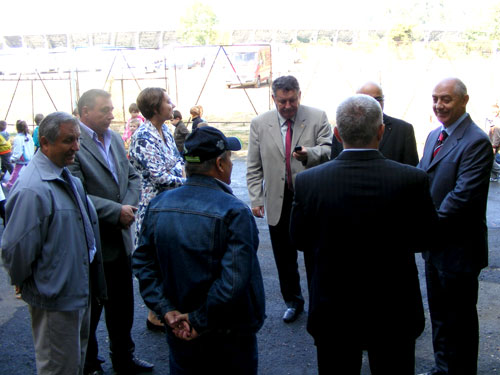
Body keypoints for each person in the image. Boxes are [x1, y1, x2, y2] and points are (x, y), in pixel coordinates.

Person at [290, 94, 437, 374]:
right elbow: (425, 239)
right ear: (381, 131)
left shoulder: (309, 182)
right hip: (394, 310)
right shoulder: (412, 179)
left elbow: (299, 239)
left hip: (333, 310)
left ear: (336, 134)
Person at [132, 126, 266, 375]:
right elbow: (234, 280)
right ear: (220, 163)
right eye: (229, 157)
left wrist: (166, 310)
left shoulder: (159, 204)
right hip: (228, 335)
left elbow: (142, 263)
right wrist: (197, 319)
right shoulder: (234, 211)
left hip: (178, 328)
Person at [1, 111, 106, 375]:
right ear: (45, 143)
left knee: (74, 364)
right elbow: (15, 250)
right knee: (59, 369)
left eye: (78, 139)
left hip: (75, 291)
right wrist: (26, 283)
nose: (76, 147)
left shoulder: (61, 174)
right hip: (55, 297)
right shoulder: (32, 188)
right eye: (68, 140)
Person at [68, 89, 153, 375]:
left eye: (112, 109)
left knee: (123, 307)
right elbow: (76, 193)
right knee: (91, 311)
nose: (112, 115)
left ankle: (123, 358)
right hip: (93, 244)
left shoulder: (115, 138)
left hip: (121, 237)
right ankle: (90, 364)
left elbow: (132, 176)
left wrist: (127, 207)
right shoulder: (74, 143)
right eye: (105, 110)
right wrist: (115, 212)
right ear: (85, 112)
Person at [417, 78, 493, 375]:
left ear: (464, 101)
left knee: (459, 320)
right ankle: (442, 367)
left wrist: (424, 226)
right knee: (439, 314)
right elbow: (424, 181)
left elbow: (461, 198)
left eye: (446, 99)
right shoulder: (435, 134)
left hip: (460, 250)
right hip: (434, 248)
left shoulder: (475, 141)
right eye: (435, 99)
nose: (439, 105)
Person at [246, 75, 332, 323]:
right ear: (274, 98)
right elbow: (253, 165)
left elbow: (329, 150)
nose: (287, 106)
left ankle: (319, 300)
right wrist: (256, 198)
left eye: (292, 100)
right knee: (284, 257)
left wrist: (309, 154)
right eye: (282, 101)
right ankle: (293, 301)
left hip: (311, 201)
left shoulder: (317, 117)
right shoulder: (260, 123)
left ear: (299, 95)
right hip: (277, 200)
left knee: (315, 254)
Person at [129, 87, 185, 332]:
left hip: (170, 203)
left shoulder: (167, 132)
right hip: (154, 209)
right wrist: (190, 181)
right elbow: (160, 175)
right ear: (154, 108)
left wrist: (180, 173)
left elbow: (178, 162)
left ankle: (164, 311)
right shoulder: (143, 137)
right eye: (167, 101)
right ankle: (155, 314)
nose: (172, 104)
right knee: (156, 261)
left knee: (170, 260)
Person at [330, 81, 419, 165]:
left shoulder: (403, 130)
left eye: (378, 99)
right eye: (365, 99)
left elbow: (411, 169)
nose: (372, 104)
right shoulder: (343, 128)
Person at [5, 120, 35, 190]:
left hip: (21, 158)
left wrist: (13, 158)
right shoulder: (28, 136)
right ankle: (32, 182)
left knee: (16, 171)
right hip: (28, 157)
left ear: (17, 128)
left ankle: (10, 184)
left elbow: (17, 150)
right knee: (30, 170)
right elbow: (32, 146)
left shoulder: (18, 138)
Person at [488, 103, 500, 181]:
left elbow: (497, 135)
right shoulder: (491, 120)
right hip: (491, 143)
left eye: (494, 112)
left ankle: (498, 171)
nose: (493, 113)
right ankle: (494, 176)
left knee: (491, 161)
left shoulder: (496, 121)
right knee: (492, 160)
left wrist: (494, 146)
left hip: (494, 144)